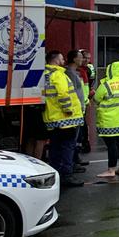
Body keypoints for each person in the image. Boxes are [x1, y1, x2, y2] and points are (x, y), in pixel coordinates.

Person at [42, 50, 85, 187]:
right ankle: (67, 175)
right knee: (67, 147)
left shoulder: (45, 75)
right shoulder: (58, 74)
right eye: (61, 59)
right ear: (55, 60)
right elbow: (63, 94)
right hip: (66, 119)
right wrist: (69, 110)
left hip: (52, 118)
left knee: (55, 148)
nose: (63, 61)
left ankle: (55, 173)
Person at [93, 60, 119, 179]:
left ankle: (111, 170)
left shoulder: (106, 85)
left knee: (111, 145)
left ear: (109, 71)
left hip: (109, 121)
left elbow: (96, 98)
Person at [66, 50, 89, 173]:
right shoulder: (70, 74)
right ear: (74, 59)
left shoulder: (77, 72)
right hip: (75, 112)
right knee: (72, 140)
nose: (83, 59)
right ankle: (71, 164)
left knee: (77, 138)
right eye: (81, 57)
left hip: (80, 109)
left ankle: (74, 161)